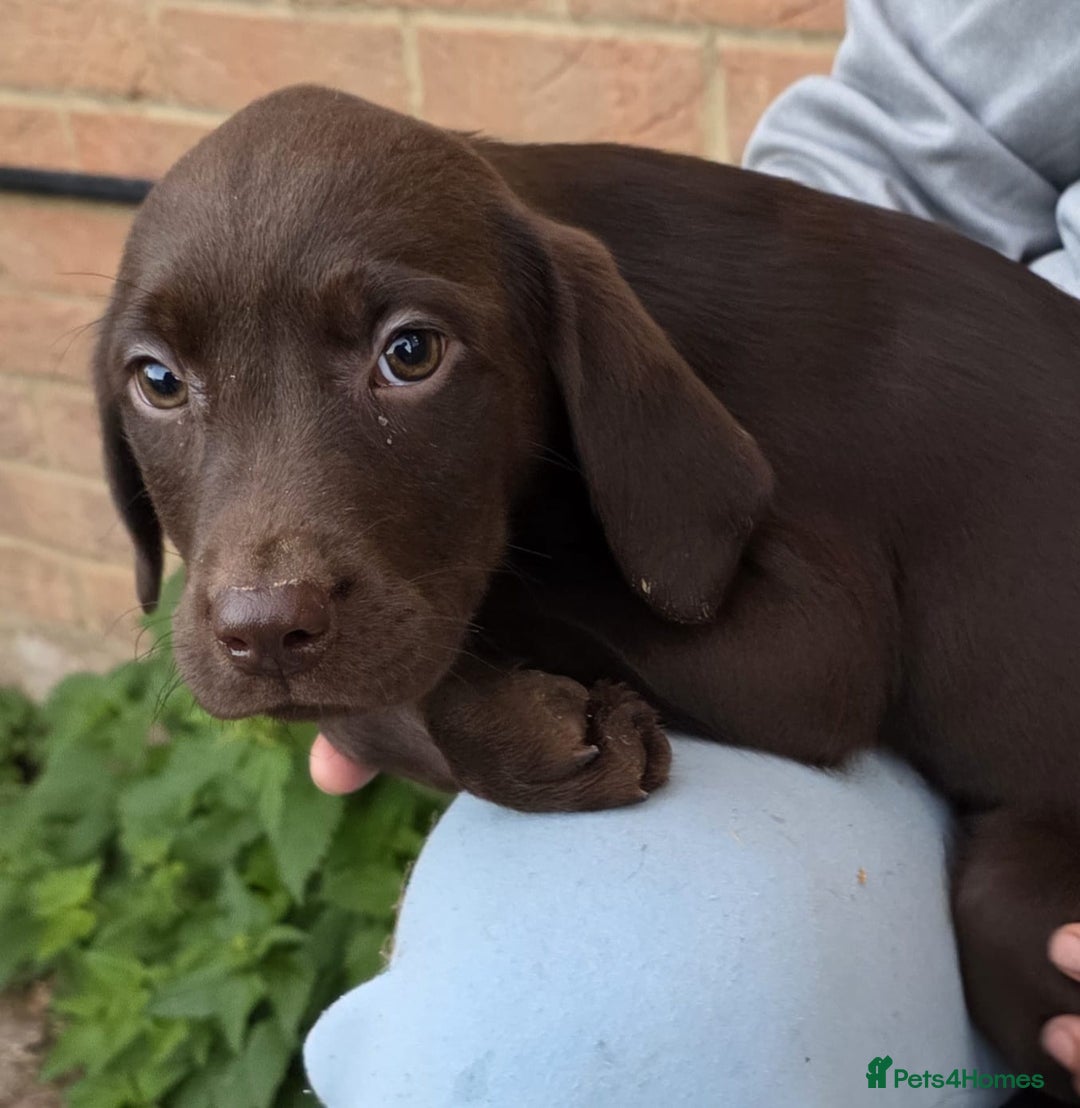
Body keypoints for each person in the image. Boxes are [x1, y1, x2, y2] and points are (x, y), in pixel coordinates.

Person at [305, 1, 1080, 1102]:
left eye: (409, 352)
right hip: (968, 674)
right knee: (581, 1003)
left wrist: (439, 641)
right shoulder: (586, 274)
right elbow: (916, 134)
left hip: (963, 659)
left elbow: (808, 681)